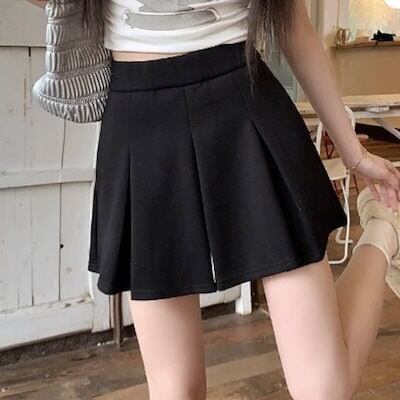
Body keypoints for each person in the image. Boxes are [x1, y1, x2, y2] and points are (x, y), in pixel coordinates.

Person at [28, 0, 400, 399]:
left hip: (243, 101)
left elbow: (292, 21)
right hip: (140, 122)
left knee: (324, 390)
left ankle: (383, 229)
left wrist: (353, 152)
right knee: (176, 391)